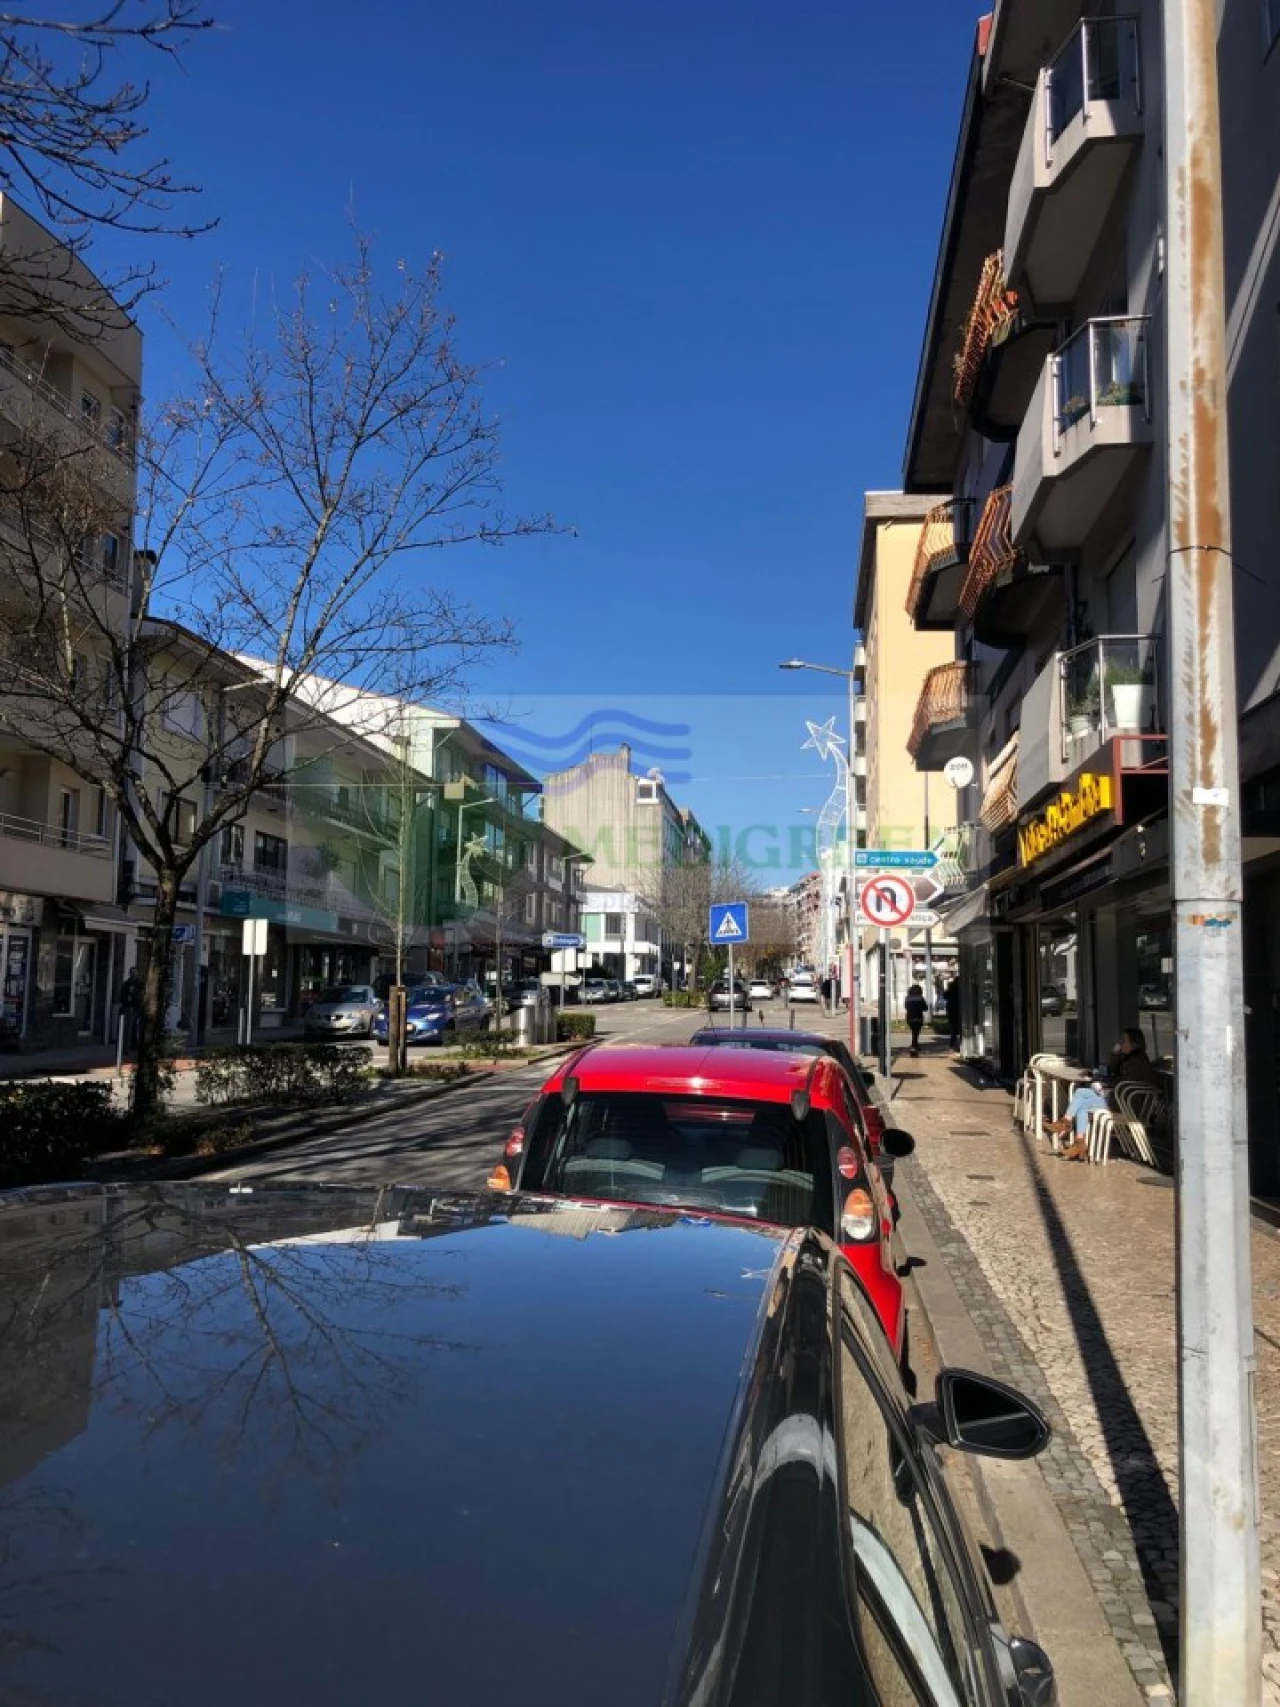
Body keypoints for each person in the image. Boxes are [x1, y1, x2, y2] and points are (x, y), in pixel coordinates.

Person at [1046, 1069, 1111, 1160]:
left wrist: (1103, 1085)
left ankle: (1065, 1123)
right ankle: (1078, 1141)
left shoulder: (1132, 1062)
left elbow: (1118, 1087)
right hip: (1105, 1095)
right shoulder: (1121, 1060)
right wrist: (1095, 1076)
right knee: (1080, 1100)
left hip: (1117, 1100)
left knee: (1080, 1096)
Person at [904, 983, 928, 1056]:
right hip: (918, 1017)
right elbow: (925, 1008)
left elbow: (905, 1006)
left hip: (910, 1017)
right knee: (916, 1033)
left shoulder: (907, 998)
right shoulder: (920, 998)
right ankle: (913, 1047)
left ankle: (915, 1045)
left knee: (914, 1032)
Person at [945, 976, 961, 1051]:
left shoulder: (951, 988)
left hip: (951, 1010)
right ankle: (960, 1043)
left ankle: (952, 1043)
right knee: (960, 1027)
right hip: (960, 1009)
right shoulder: (962, 988)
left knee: (953, 1028)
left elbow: (945, 996)